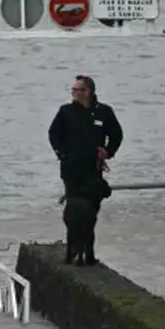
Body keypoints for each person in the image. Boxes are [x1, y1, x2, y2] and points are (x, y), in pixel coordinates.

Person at [48, 74, 124, 266]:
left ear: (88, 91)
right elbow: (53, 133)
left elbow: (117, 134)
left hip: (93, 171)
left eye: (77, 90)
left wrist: (108, 152)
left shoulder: (104, 112)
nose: (73, 93)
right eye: (72, 90)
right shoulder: (65, 112)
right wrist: (62, 153)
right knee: (74, 212)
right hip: (71, 170)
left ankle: (88, 253)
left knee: (91, 213)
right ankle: (72, 251)